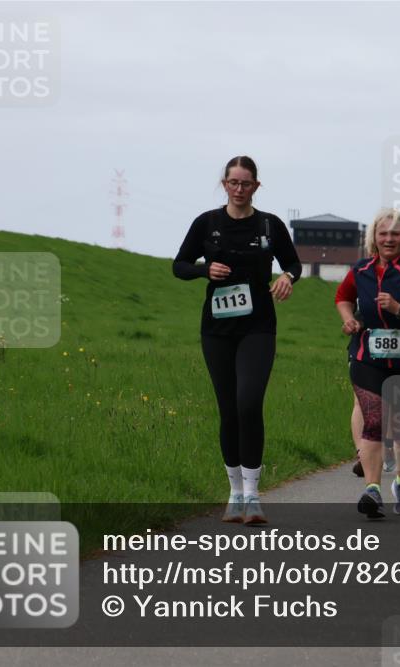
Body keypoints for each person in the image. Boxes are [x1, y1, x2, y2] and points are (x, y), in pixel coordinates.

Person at [173, 155, 301, 525]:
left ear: (256, 186)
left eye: (246, 183)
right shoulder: (207, 223)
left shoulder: (269, 225)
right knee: (228, 409)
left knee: (249, 402)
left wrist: (287, 278)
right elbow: (179, 265)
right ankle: (234, 494)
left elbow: (293, 264)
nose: (239, 189)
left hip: (258, 326)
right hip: (217, 329)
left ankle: (253, 495)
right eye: (233, 183)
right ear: (224, 184)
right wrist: (204, 270)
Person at [335, 209, 400, 518]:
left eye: (395, 234)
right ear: (374, 237)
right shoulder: (361, 269)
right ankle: (372, 489)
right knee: (374, 419)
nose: (389, 239)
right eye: (383, 233)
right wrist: (349, 319)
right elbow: (342, 297)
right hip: (369, 357)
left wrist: (398, 308)